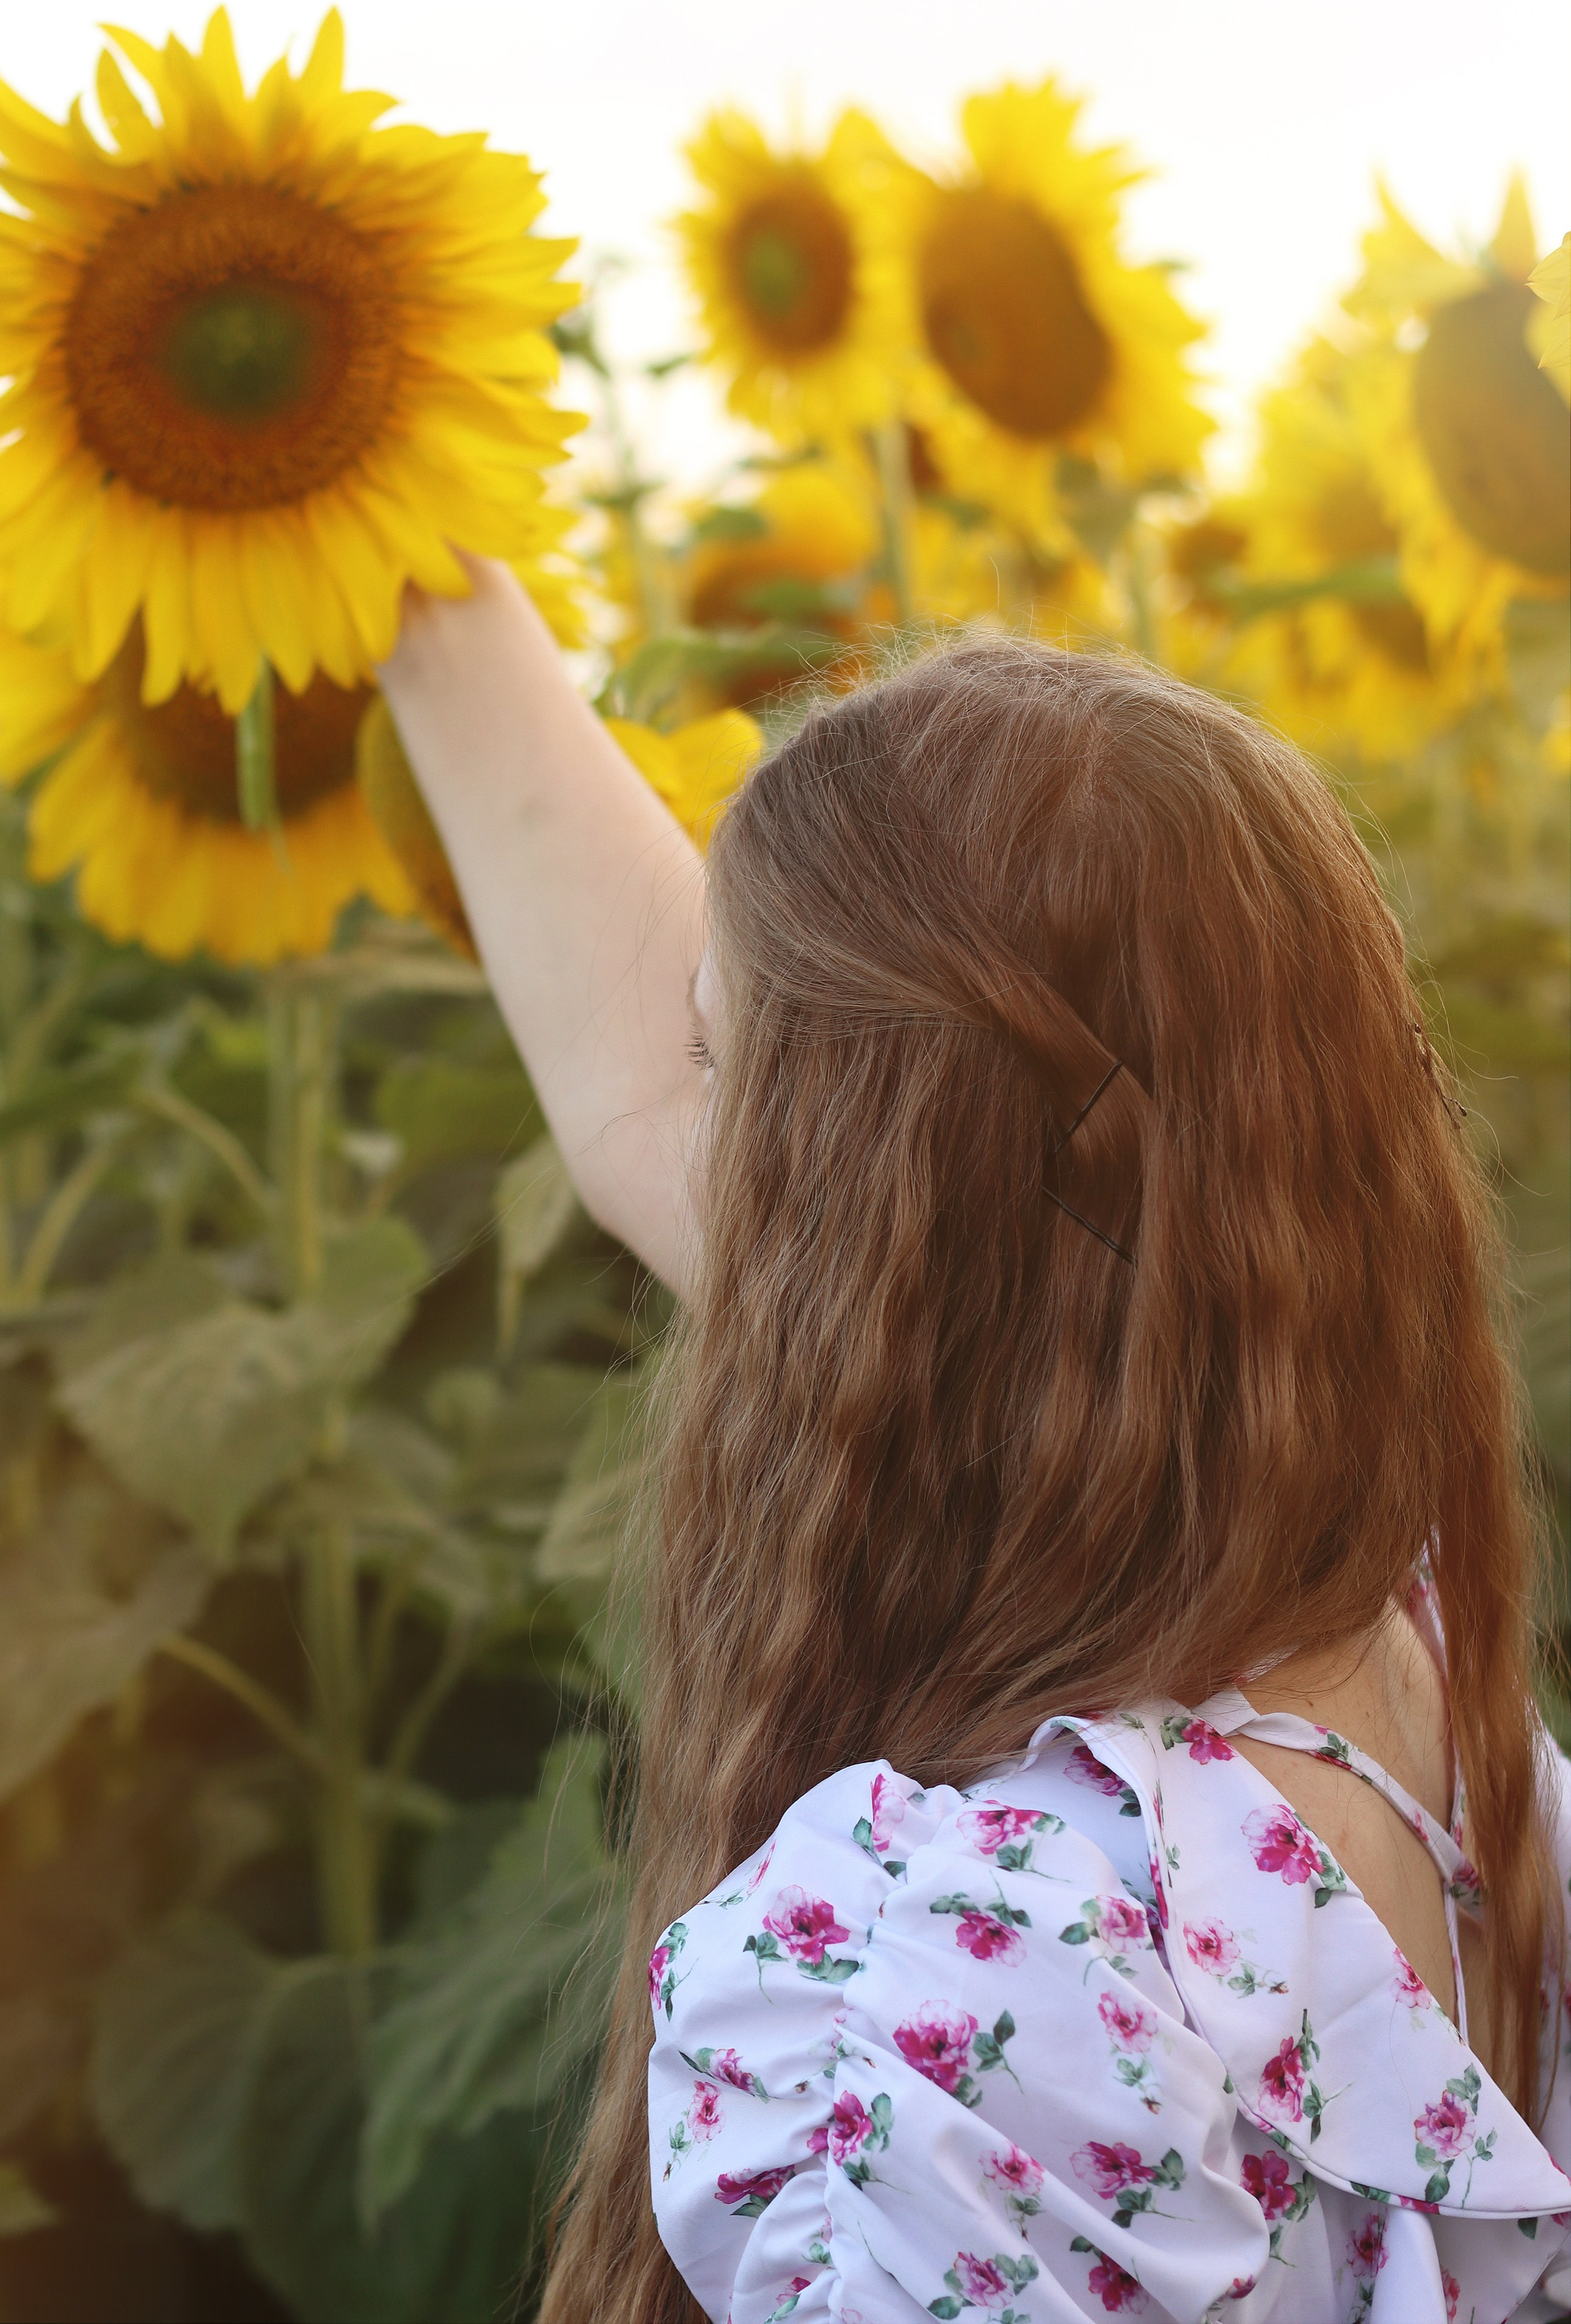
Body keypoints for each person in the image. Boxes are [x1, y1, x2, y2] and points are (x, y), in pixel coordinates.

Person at [379, 562, 1571, 2324]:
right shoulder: (1396, 1658)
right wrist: (392, 549)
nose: (697, 1126)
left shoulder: (980, 1981)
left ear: (865, 1215)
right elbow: (675, 1092)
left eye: (744, 1082)